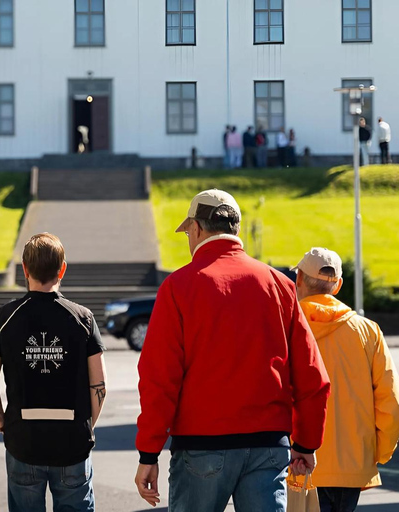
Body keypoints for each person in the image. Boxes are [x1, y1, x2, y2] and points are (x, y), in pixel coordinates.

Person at [134, 189, 331, 511]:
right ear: (236, 229)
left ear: (196, 229)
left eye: (188, 233)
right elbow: (313, 376)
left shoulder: (180, 286)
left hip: (201, 443)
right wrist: (306, 443)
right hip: (268, 443)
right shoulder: (278, 284)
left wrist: (148, 452)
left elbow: (159, 378)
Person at [0, 233, 107, 512]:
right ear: (62, 269)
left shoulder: (5, 317)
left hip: (23, 439)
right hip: (72, 440)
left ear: (24, 269)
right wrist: (86, 425)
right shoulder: (83, 318)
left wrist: (2, 421)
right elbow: (99, 384)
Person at [294, 247, 399, 512]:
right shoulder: (368, 331)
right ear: (338, 285)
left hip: (298, 462)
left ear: (299, 280)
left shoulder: (288, 325)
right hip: (352, 466)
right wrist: (378, 452)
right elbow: (389, 399)